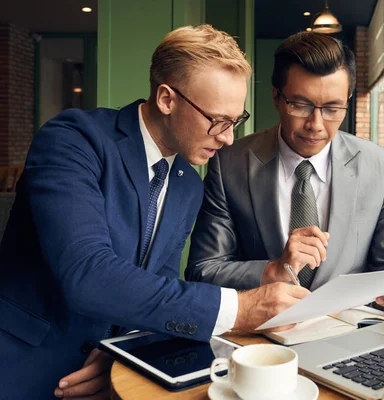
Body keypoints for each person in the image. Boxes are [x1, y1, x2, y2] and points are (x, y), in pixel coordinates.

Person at [0, 25, 309, 399]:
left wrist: (122, 354)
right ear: (166, 98)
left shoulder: (187, 184)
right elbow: (86, 273)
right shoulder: (72, 141)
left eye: (235, 120)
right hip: (25, 367)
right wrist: (239, 308)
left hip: (109, 373)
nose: (227, 137)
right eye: (218, 120)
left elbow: (158, 287)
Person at [186, 31, 384, 322]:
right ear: (277, 96)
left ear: (348, 101)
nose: (315, 125)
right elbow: (203, 270)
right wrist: (272, 270)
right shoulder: (229, 164)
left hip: (349, 340)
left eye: (332, 108)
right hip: (261, 341)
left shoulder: (380, 165)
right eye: (300, 105)